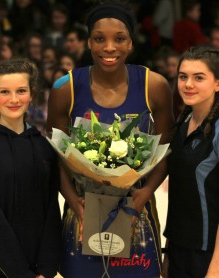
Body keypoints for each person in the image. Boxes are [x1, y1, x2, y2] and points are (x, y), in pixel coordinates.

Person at [47, 1, 174, 277]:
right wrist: (72, 199)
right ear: (88, 43)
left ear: (130, 43)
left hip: (135, 213)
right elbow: (55, 156)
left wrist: (145, 192)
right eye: (99, 39)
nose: (109, 48)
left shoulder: (155, 85)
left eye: (119, 39)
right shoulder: (64, 87)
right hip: (82, 213)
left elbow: (165, 151)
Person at [0, 58, 62, 278]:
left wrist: (47, 268)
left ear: (32, 94)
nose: (14, 99)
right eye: (5, 92)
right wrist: (20, 273)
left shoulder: (43, 147)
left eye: (21, 91)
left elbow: (51, 211)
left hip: (37, 271)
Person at [163, 45, 219, 277]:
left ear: (218, 83)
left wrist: (214, 270)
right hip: (182, 251)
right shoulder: (185, 121)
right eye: (183, 77)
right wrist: (170, 252)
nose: (188, 84)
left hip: (217, 256)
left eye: (198, 77)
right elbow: (181, 195)